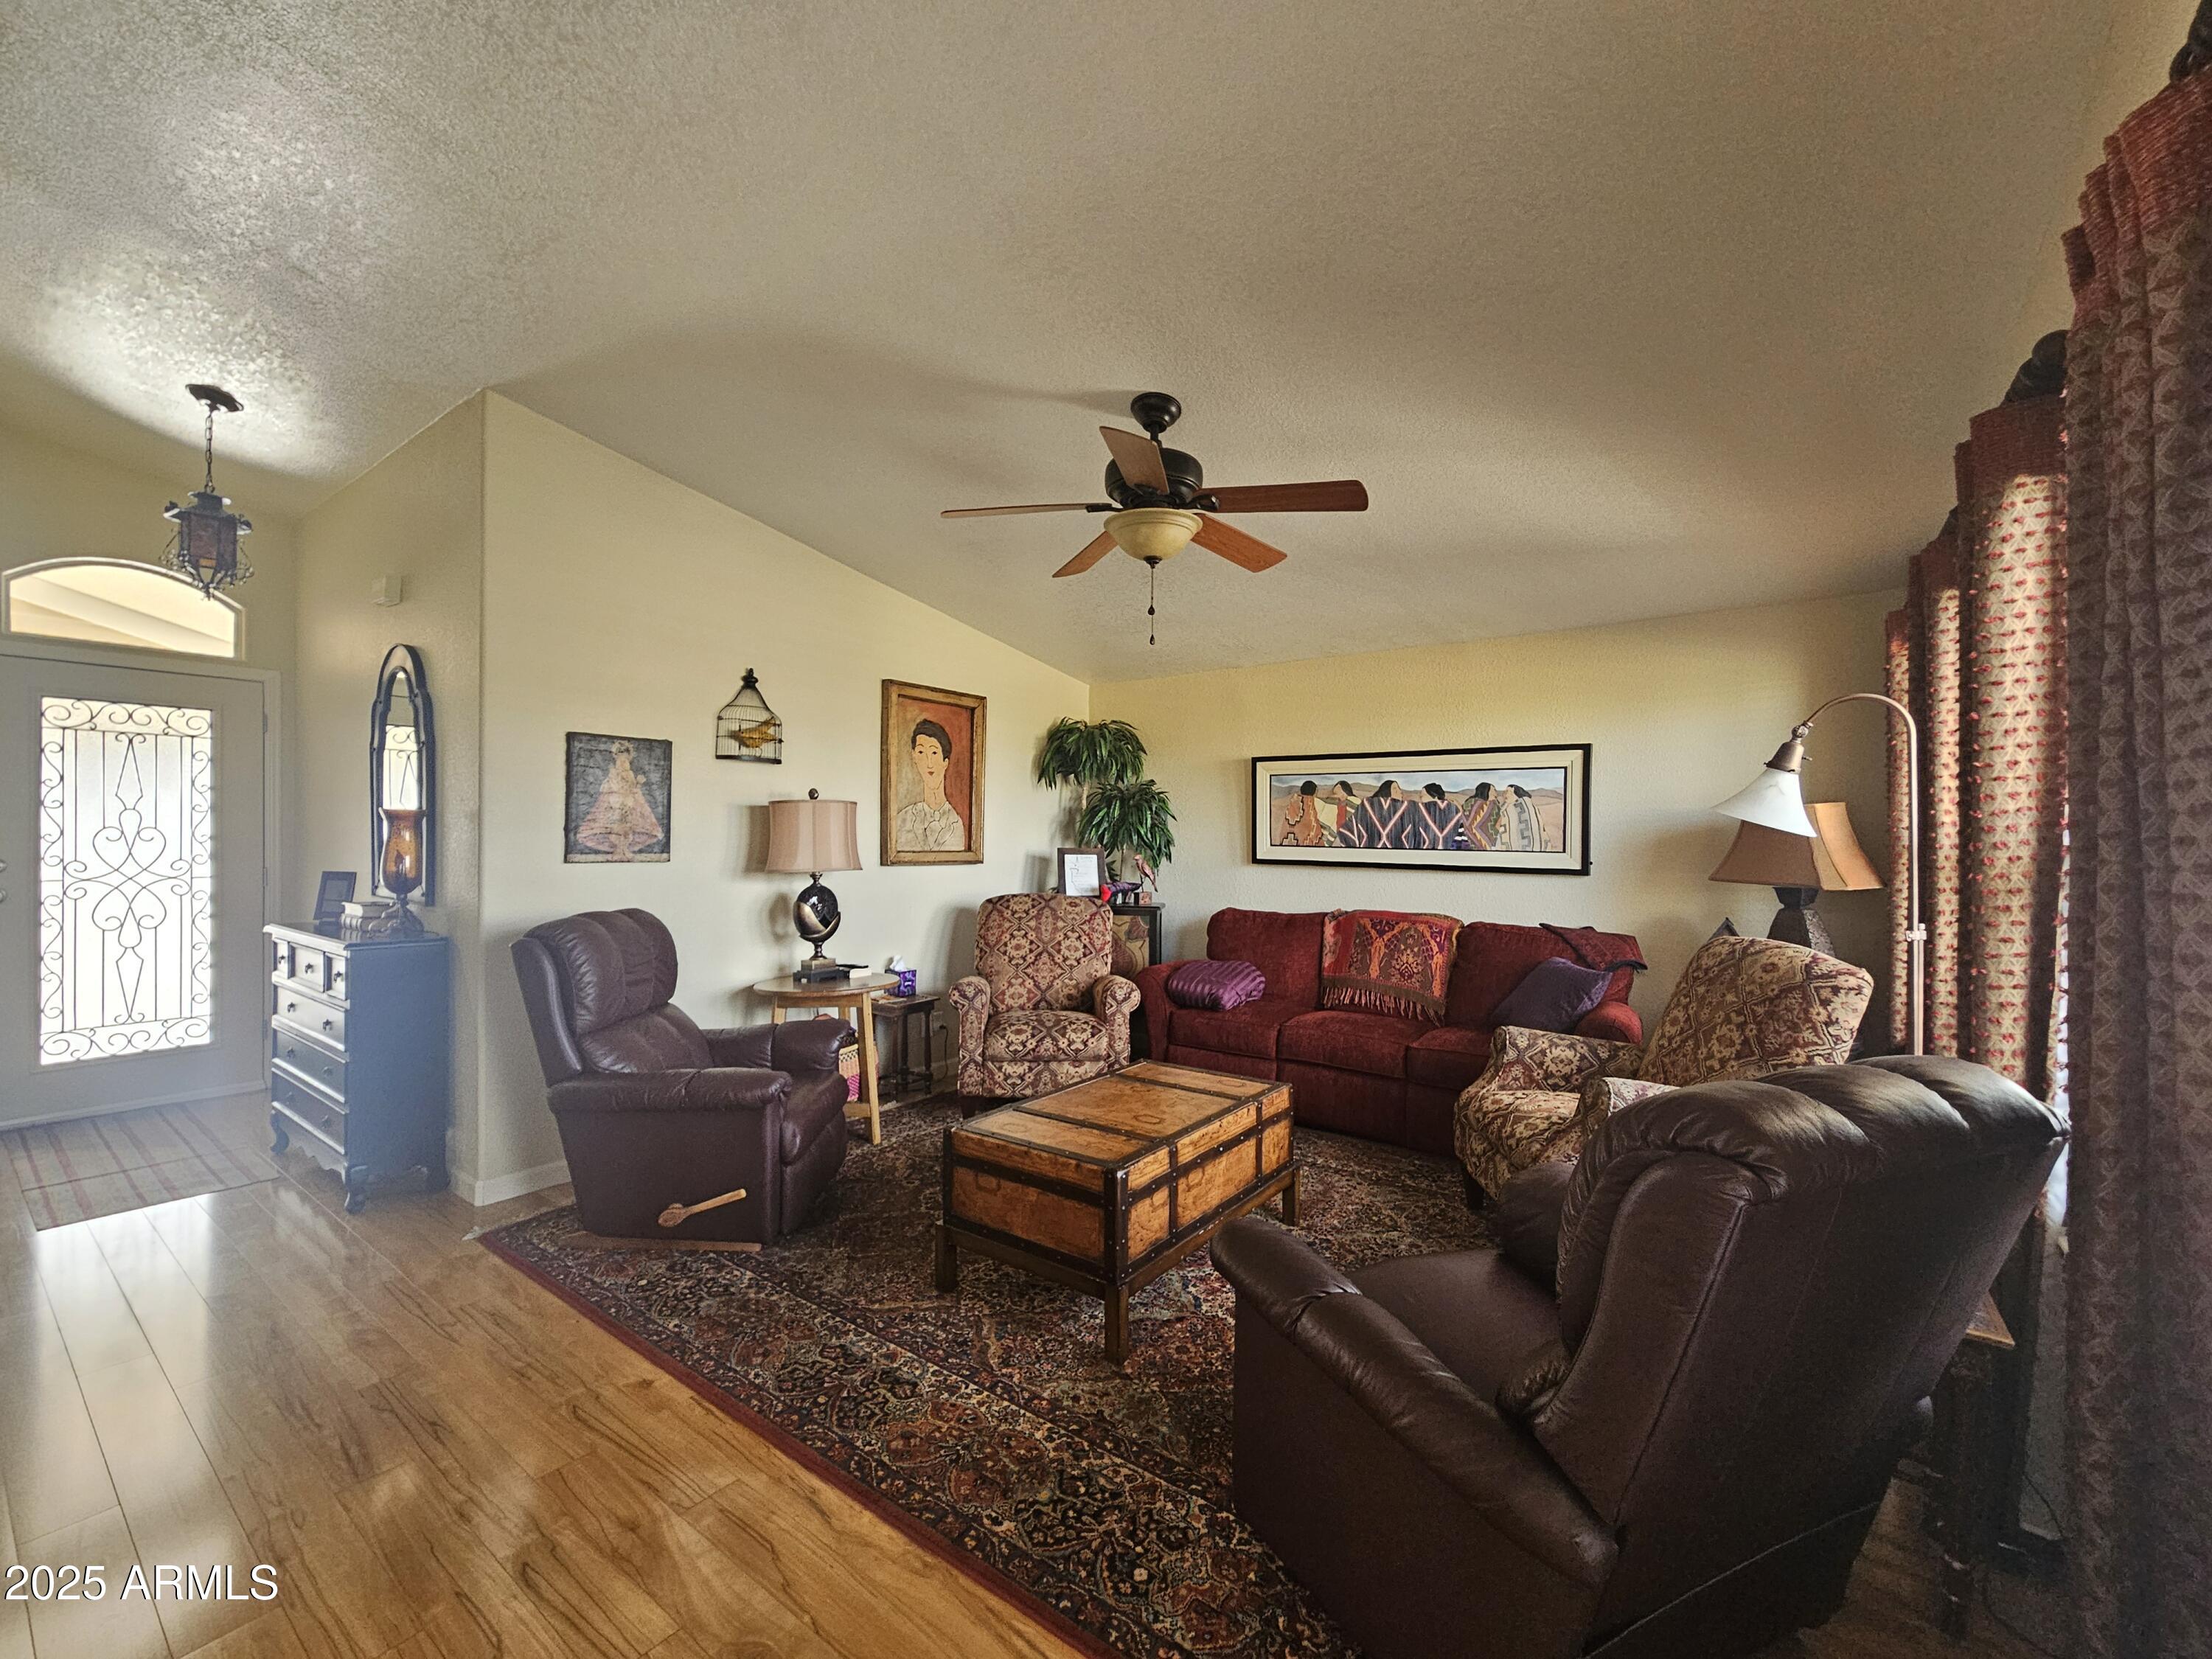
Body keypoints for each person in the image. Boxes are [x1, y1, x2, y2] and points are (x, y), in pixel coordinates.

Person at [894, 718, 967, 852]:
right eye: (921, 752)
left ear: (945, 762)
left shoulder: (956, 824)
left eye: (934, 753)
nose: (929, 763)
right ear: (914, 756)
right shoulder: (903, 819)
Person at [1276, 779, 1329, 846]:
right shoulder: (1310, 803)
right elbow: (1314, 829)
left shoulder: (1293, 802)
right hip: (1304, 845)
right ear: (1315, 792)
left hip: (1287, 843)